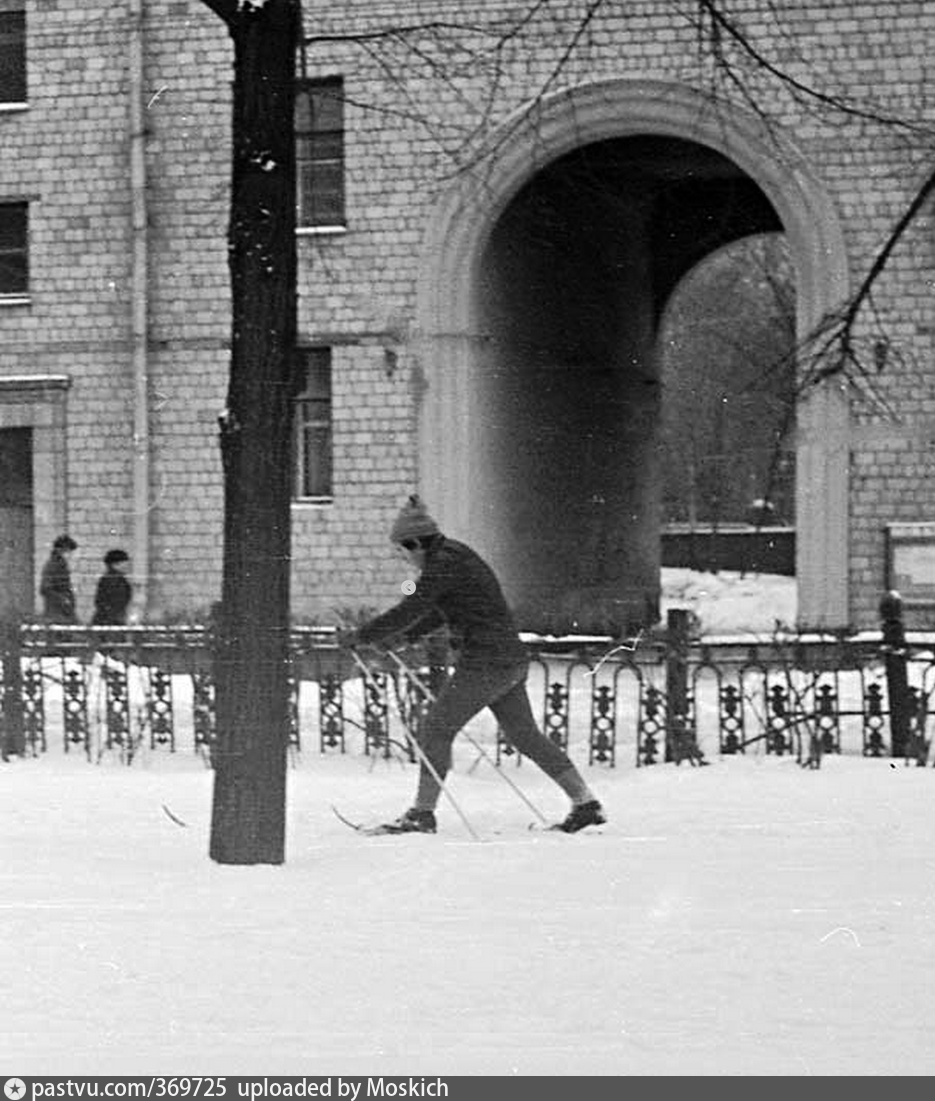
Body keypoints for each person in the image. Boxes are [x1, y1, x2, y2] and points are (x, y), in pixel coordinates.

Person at [345, 495, 607, 834]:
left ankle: (421, 814)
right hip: (508, 659)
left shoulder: (442, 565)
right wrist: (399, 639)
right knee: (525, 736)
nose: (404, 559)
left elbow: (413, 607)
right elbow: (439, 611)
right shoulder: (455, 556)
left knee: (437, 728)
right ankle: (585, 803)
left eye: (403, 550)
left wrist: (362, 635)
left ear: (415, 543)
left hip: (486, 662)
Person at [39, 534, 78, 622]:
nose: (71, 555)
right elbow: (45, 588)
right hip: (58, 614)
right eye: (69, 552)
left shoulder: (60, 565)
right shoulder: (54, 565)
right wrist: (64, 600)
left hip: (62, 613)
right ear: (62, 550)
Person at [92, 549, 132, 626]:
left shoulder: (115, 578)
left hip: (111, 620)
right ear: (115, 564)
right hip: (110, 621)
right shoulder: (113, 579)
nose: (127, 566)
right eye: (125, 563)